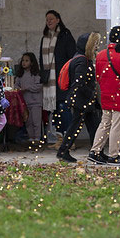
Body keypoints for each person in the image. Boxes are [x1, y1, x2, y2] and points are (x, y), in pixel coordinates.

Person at [89, 26, 120, 166]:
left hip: (106, 95)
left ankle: (95, 151)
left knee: (104, 124)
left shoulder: (101, 55)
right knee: (117, 126)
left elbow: (98, 76)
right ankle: (113, 155)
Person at [57, 32, 101, 163]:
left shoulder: (80, 58)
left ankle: (97, 152)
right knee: (76, 127)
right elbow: (79, 82)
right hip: (81, 101)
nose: (97, 47)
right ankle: (64, 152)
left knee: (92, 127)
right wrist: (92, 95)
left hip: (82, 101)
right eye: (95, 44)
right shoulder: (82, 60)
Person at [39, 10, 76, 144]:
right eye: (47, 19)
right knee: (55, 109)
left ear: (58, 20)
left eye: (51, 19)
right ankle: (60, 138)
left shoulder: (65, 35)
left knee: (64, 107)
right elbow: (41, 60)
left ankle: (69, 137)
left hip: (62, 78)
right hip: (50, 81)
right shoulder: (45, 37)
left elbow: (72, 57)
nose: (49, 21)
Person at [14, 52, 43, 148]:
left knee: (36, 121)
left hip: (35, 102)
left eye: (26, 61)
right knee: (28, 121)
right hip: (25, 102)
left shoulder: (36, 74)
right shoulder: (20, 74)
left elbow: (39, 86)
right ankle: (31, 138)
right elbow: (16, 85)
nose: (24, 63)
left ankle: (37, 139)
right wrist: (17, 88)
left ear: (32, 62)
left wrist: (27, 88)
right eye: (23, 60)